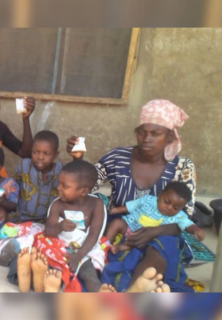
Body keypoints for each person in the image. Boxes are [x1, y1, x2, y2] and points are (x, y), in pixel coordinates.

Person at [66, 99, 196, 292]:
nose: (146, 139)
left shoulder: (183, 167)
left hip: (162, 230)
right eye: (142, 132)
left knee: (161, 249)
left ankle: (133, 292)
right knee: (98, 248)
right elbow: (88, 186)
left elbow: (185, 217)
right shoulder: (117, 157)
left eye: (155, 134)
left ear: (170, 137)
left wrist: (153, 231)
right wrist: (79, 161)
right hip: (119, 225)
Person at [21, 160, 106, 293]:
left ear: (83, 191)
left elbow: (94, 234)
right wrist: (60, 226)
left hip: (83, 249)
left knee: (89, 274)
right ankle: (38, 279)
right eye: (59, 183)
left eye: (64, 186)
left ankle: (99, 292)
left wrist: (78, 256)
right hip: (57, 246)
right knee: (42, 259)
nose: (58, 188)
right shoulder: (58, 205)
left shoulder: (96, 205)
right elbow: (48, 232)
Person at [0, 130, 62, 266]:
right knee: (6, 234)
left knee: (42, 241)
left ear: (55, 155)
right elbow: (15, 184)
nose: (40, 157)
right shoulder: (24, 166)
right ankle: (6, 251)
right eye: (35, 152)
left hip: (45, 223)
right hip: (21, 218)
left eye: (46, 153)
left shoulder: (60, 171)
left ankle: (22, 254)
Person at [106, 182, 205, 254]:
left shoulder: (179, 216)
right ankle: (105, 244)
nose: (169, 208)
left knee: (144, 245)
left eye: (175, 208)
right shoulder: (148, 199)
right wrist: (119, 210)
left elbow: (188, 224)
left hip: (143, 237)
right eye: (166, 202)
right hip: (129, 225)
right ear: (160, 194)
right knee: (116, 223)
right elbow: (133, 205)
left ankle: (118, 248)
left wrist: (196, 230)